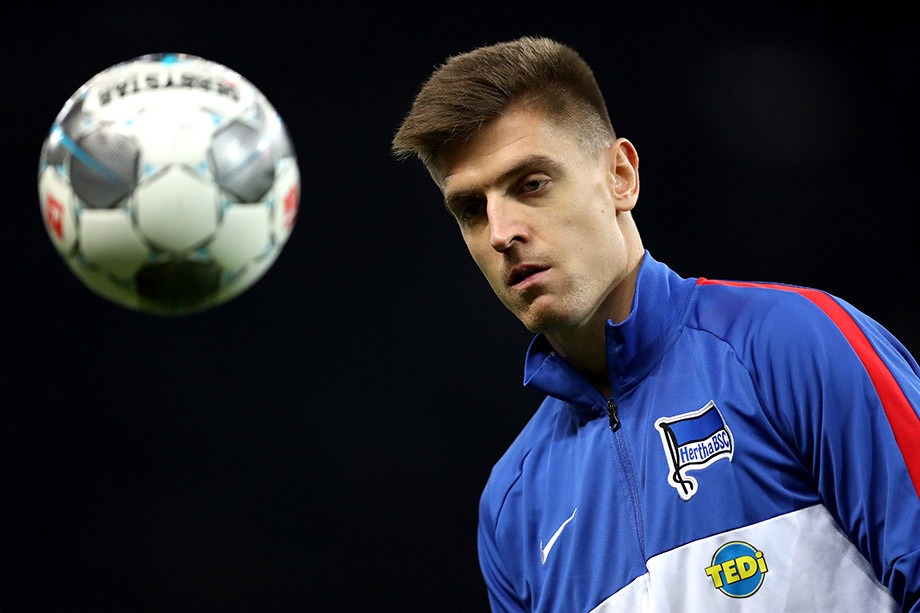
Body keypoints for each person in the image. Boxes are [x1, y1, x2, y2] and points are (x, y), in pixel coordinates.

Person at [391, 36, 920, 612]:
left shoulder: (790, 344)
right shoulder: (513, 506)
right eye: (472, 209)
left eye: (531, 184)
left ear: (620, 176)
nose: (500, 233)